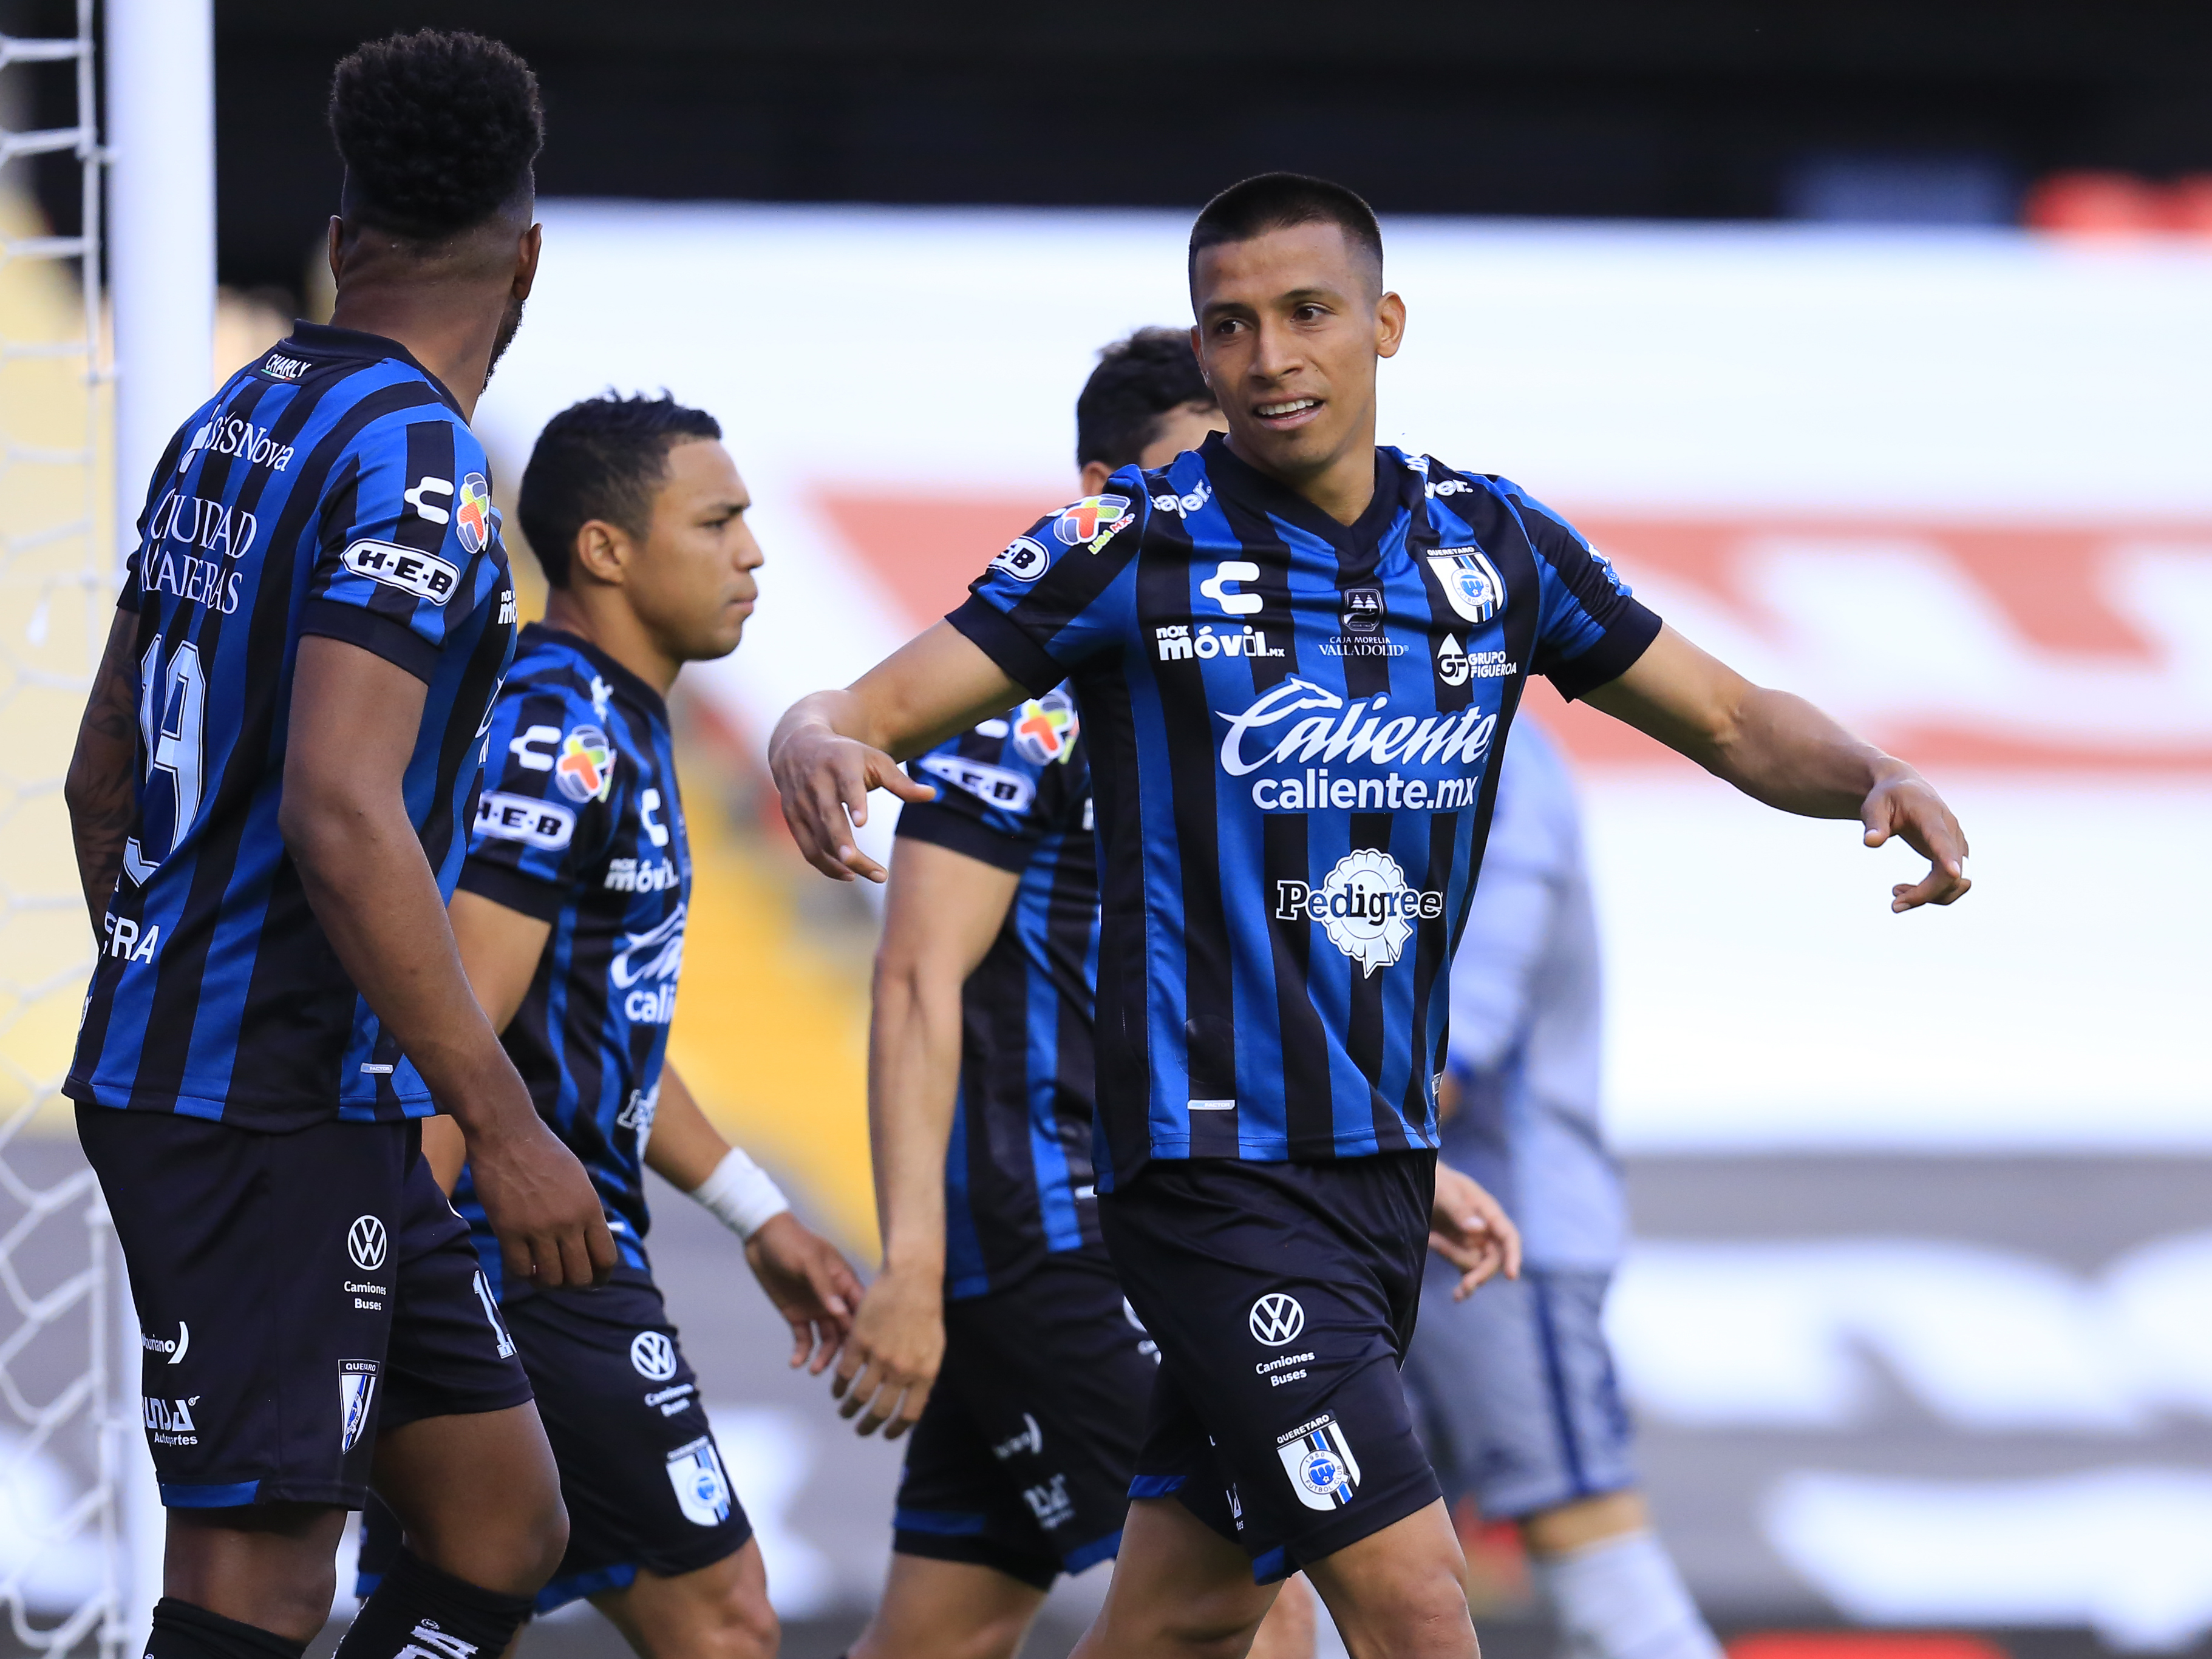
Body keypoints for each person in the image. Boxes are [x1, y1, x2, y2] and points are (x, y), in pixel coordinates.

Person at [764, 172, 1972, 1659]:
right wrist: (808, 732)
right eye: (1230, 324)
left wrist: (1870, 767)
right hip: (1211, 1178)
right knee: (1411, 1598)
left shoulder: (1491, 546)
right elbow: (870, 700)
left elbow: (1726, 713)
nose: (1268, 353)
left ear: (1384, 324)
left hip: (1384, 1176)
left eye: (1305, 313)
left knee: (1187, 1614)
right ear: (1201, 355)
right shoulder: (1126, 547)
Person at [61, 32, 607, 1659]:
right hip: (267, 1100)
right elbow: (340, 805)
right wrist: (503, 1128)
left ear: (345, 236)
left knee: (503, 1514)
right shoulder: (419, 461)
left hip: (293, 1087)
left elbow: (103, 771)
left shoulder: (238, 418)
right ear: (526, 261)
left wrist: (169, 981)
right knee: (261, 1579)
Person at [834, 329, 1348, 1659]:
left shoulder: (1184, 686)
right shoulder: (1025, 693)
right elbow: (911, 976)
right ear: (1099, 487)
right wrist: (913, 1265)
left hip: (1114, 1216)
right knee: (1257, 1600)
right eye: (1191, 472)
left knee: (939, 1631)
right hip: (1046, 1231)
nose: (1222, 509)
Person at [353, 393, 867, 1658]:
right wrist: (392, 1289)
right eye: (718, 519)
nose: (752, 550)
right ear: (605, 549)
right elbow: (453, 1018)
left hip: (535, 1251)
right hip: (524, 1266)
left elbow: (601, 1029)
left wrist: (758, 1210)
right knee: (725, 1618)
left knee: (459, 1597)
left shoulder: (614, 718)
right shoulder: (561, 733)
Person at [1400, 715, 1720, 1659]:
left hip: (1501, 1228)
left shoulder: (1496, 754)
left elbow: (1464, 1029)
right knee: (1346, 1566)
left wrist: (1296, 1148)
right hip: (1374, 1218)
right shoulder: (1345, 730)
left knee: (1592, 1549)